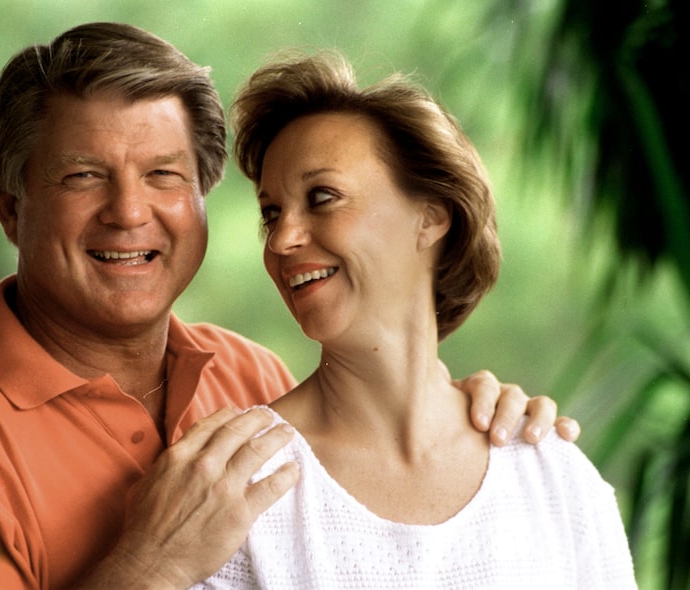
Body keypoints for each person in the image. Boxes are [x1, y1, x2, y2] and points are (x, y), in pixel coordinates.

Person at [0, 23, 579, 589]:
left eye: (164, 175)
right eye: (83, 177)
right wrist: (149, 569)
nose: (129, 212)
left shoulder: (249, 377)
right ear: (12, 211)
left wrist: (472, 419)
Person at [197, 51, 636, 588]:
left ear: (429, 217)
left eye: (322, 198)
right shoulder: (237, 488)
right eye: (271, 213)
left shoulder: (552, 476)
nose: (284, 240)